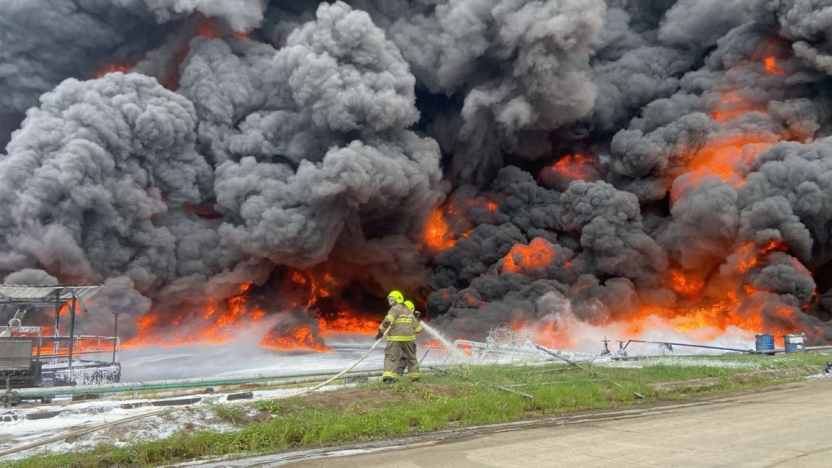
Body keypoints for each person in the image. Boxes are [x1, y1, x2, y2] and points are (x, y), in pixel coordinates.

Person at [375, 291, 422, 383]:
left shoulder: (394, 309)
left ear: (397, 300)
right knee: (412, 357)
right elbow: (418, 328)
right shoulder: (409, 310)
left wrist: (380, 330)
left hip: (395, 339)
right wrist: (408, 330)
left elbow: (388, 320)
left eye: (391, 299)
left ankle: (388, 378)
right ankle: (415, 378)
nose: (390, 301)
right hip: (409, 340)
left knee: (390, 357)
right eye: (389, 299)